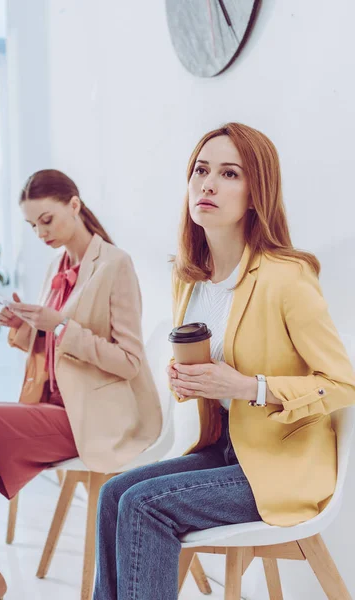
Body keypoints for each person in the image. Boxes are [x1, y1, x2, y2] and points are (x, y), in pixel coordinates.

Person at [92, 123, 355, 600]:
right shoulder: (190, 279)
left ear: (256, 193)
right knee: (114, 496)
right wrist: (184, 381)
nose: (208, 184)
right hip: (223, 449)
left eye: (229, 173)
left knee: (145, 505)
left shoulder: (287, 277)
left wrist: (248, 387)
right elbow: (203, 381)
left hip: (280, 463)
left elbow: (342, 385)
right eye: (200, 170)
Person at [0, 169, 162, 600]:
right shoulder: (58, 265)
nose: (40, 232)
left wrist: (61, 327)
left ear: (74, 204)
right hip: (52, 406)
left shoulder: (115, 264)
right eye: (33, 225)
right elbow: (54, 349)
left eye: (46, 220)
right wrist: (26, 327)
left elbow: (128, 362)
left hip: (89, 417)